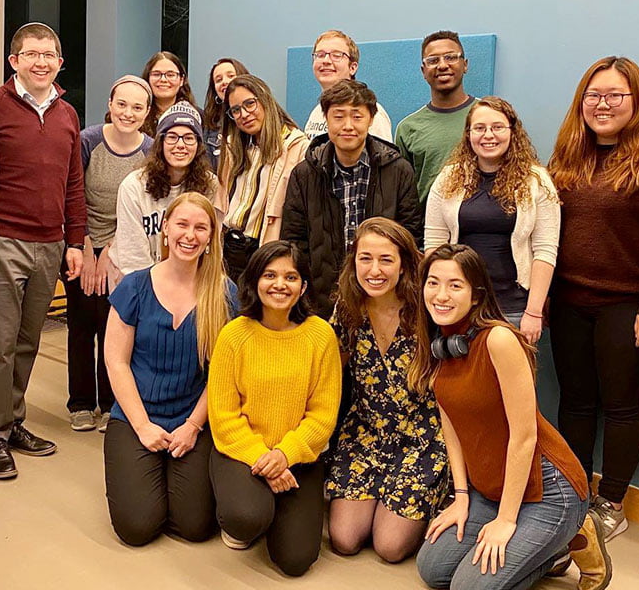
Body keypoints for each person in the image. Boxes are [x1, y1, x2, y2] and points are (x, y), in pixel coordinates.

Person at [412, 244, 611, 590]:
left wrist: (506, 520)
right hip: (490, 489)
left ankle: (571, 533)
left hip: (549, 488)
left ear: (476, 296)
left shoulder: (499, 340)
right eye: (433, 282)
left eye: (455, 285)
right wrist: (461, 497)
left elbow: (525, 436)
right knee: (433, 568)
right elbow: (452, 431)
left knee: (469, 588)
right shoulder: (439, 345)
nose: (441, 295)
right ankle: (549, 550)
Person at [547, 56, 639, 540]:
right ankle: (574, 497)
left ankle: (612, 503)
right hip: (569, 301)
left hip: (627, 305)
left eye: (615, 96)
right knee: (575, 404)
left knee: (621, 406)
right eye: (594, 96)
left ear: (635, 102)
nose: (603, 105)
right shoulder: (565, 158)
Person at [0, 22, 86, 479]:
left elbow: (73, 182)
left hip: (50, 244)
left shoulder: (67, 114)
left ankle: (13, 421)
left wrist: (75, 242)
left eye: (50, 55)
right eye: (31, 53)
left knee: (27, 341)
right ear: (14, 61)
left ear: (59, 63)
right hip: (2, 241)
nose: (41, 61)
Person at [103, 192, 233, 547]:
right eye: (182, 224)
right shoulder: (134, 286)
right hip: (136, 415)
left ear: (210, 238)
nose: (189, 235)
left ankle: (167, 475)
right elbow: (116, 362)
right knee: (137, 528)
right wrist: (143, 426)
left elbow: (223, 374)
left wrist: (193, 426)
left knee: (195, 527)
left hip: (193, 419)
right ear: (165, 229)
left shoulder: (223, 293)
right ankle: (142, 472)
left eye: (200, 228)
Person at [207, 240, 341, 577]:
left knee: (296, 561)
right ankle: (251, 506)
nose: (280, 285)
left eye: (291, 277)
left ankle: (273, 503)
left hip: (298, 457)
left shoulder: (321, 335)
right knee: (246, 518)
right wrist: (264, 460)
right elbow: (224, 417)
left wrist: (284, 455)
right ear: (253, 282)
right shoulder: (233, 335)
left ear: (303, 286)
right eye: (270, 275)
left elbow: (323, 415)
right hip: (242, 452)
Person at [325, 218, 447, 563]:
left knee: (389, 547)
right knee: (344, 540)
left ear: (405, 264)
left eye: (386, 260)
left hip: (421, 438)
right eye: (365, 258)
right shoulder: (348, 308)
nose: (374, 270)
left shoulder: (426, 310)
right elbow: (333, 370)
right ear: (354, 261)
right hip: (365, 433)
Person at [424, 96, 560, 343]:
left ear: (512, 132)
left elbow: (545, 251)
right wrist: (437, 299)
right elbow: (434, 245)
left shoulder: (536, 181)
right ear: (468, 134)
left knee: (512, 380)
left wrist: (533, 311)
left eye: (497, 127)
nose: (488, 135)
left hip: (514, 308)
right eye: (479, 128)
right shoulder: (447, 178)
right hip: (458, 307)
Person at [282, 80, 422, 318]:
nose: (348, 126)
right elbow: (294, 242)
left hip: (384, 297)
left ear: (371, 119)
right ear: (326, 119)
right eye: (338, 117)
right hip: (322, 301)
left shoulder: (398, 170)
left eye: (357, 117)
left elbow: (411, 237)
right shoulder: (305, 174)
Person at [66, 75, 153, 433]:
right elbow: (72, 193)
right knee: (82, 322)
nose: (127, 113)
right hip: (81, 243)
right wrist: (86, 247)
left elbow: (144, 205)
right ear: (110, 104)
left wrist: (110, 253)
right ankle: (82, 403)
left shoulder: (150, 149)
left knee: (115, 325)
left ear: (147, 112)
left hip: (126, 246)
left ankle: (113, 403)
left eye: (137, 107)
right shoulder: (88, 141)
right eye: (122, 104)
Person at [214, 75, 309, 280]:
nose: (244, 114)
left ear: (265, 100)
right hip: (230, 248)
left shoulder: (296, 145)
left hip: (265, 247)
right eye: (236, 110)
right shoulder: (233, 146)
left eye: (250, 104)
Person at [110, 102, 218, 281]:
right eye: (172, 137)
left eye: (189, 138)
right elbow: (132, 257)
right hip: (137, 280)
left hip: (189, 280)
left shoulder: (210, 185)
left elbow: (210, 246)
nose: (181, 145)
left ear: (199, 145)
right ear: (160, 142)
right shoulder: (133, 186)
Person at [395, 30, 476, 205]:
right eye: (433, 61)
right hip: (427, 228)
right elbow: (403, 193)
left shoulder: (488, 117)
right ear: (423, 71)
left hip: (482, 225)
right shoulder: (408, 128)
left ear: (465, 65)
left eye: (450, 57)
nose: (442, 65)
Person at [303, 30, 392, 142]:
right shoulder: (316, 112)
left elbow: (383, 157)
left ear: (353, 68)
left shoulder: (371, 113)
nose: (326, 61)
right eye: (320, 55)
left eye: (336, 55)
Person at [200, 57, 249, 170]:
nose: (225, 82)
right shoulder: (208, 125)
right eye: (218, 80)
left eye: (231, 76)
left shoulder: (255, 117)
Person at [140, 51, 198, 137]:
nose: (163, 79)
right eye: (156, 74)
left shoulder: (197, 116)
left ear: (181, 80)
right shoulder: (138, 114)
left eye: (170, 75)